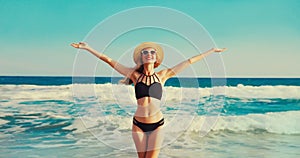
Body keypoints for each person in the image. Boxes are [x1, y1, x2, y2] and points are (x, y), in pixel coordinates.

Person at [71, 41, 226, 158]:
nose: (149, 54)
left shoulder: (163, 75)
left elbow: (189, 61)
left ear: (156, 57)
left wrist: (211, 51)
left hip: (157, 125)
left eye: (153, 52)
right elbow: (108, 60)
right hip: (138, 124)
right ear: (141, 57)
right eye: (146, 52)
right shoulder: (134, 75)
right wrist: (87, 47)